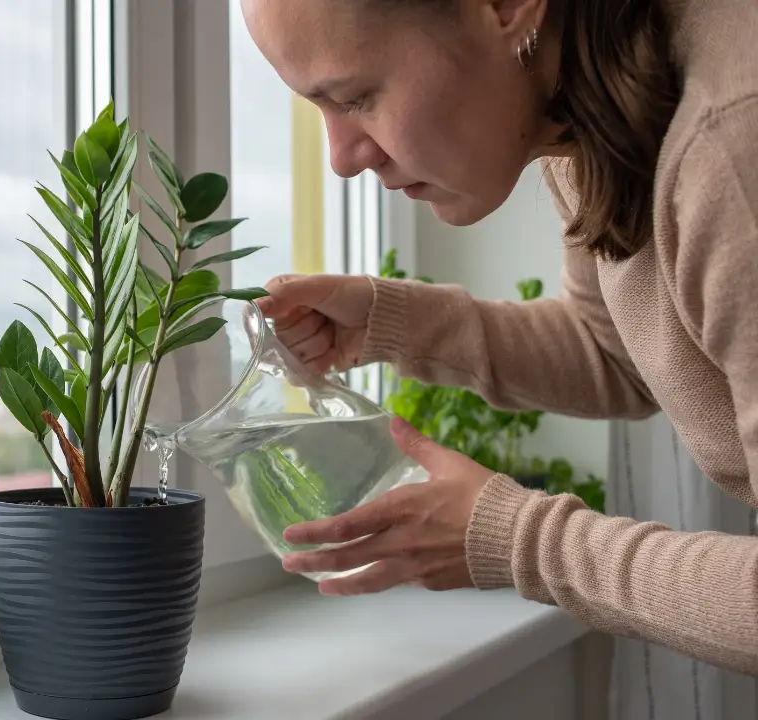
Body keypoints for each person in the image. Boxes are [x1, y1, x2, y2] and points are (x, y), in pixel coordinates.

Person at [243, 0, 758, 676]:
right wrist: (387, 320)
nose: (341, 158)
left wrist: (522, 540)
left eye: (359, 97)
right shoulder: (580, 100)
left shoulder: (731, 148)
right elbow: (624, 354)